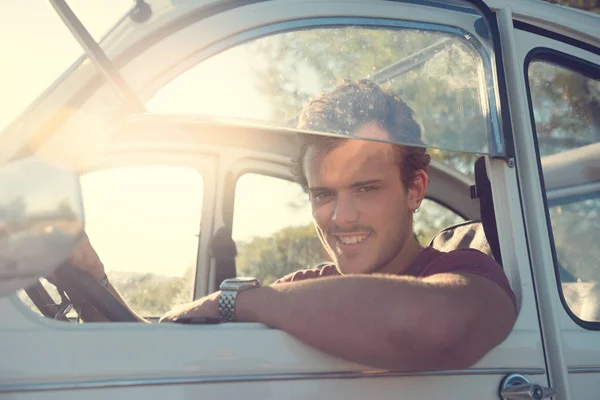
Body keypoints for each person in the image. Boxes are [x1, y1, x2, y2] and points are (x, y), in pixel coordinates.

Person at [61, 80, 517, 371]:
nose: (341, 218)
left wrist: (239, 301)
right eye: (324, 194)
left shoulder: (463, 270)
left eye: (365, 188)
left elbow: (440, 329)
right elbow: (161, 363)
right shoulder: (304, 290)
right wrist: (92, 279)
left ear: (415, 190)